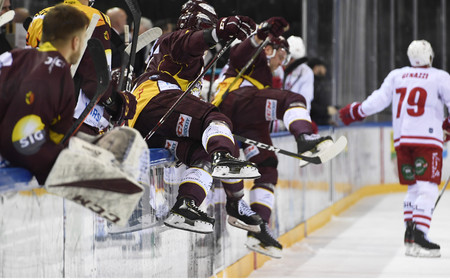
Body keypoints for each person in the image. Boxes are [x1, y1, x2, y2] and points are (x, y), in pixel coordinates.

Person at [1, 4, 149, 225]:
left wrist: (86, 144)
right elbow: (21, 139)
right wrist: (83, 171)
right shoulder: (58, 70)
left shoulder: (14, 57)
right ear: (76, 42)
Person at [128, 0, 262, 234]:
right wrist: (219, 30)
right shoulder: (175, 39)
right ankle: (226, 168)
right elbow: (188, 42)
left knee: (203, 154)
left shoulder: (187, 58)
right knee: (214, 117)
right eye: (205, 26)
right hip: (157, 101)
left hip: (152, 123)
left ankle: (185, 205)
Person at [212, 19, 335, 258]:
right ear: (270, 49)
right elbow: (240, 51)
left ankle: (258, 231)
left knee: (267, 166)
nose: (283, 63)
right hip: (235, 102)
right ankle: (305, 138)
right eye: (282, 55)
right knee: (292, 98)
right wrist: (261, 34)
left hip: (246, 118)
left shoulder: (264, 72)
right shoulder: (253, 56)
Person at [339, 40, 450, 258]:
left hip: (402, 139)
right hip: (427, 140)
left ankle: (410, 237)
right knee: (427, 188)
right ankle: (420, 237)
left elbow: (379, 100)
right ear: (429, 56)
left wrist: (355, 111)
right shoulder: (440, 76)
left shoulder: (397, 75)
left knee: (413, 188)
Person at [26, 0, 133, 135]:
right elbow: (96, 82)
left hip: (34, 113)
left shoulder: (39, 16)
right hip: (75, 121)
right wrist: (119, 104)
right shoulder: (95, 17)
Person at [308, 58, 338, 126]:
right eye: (323, 67)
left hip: (319, 124)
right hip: (312, 125)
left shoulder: (319, 83)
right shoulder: (310, 83)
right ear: (316, 68)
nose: (325, 70)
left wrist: (326, 121)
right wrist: (326, 110)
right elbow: (310, 104)